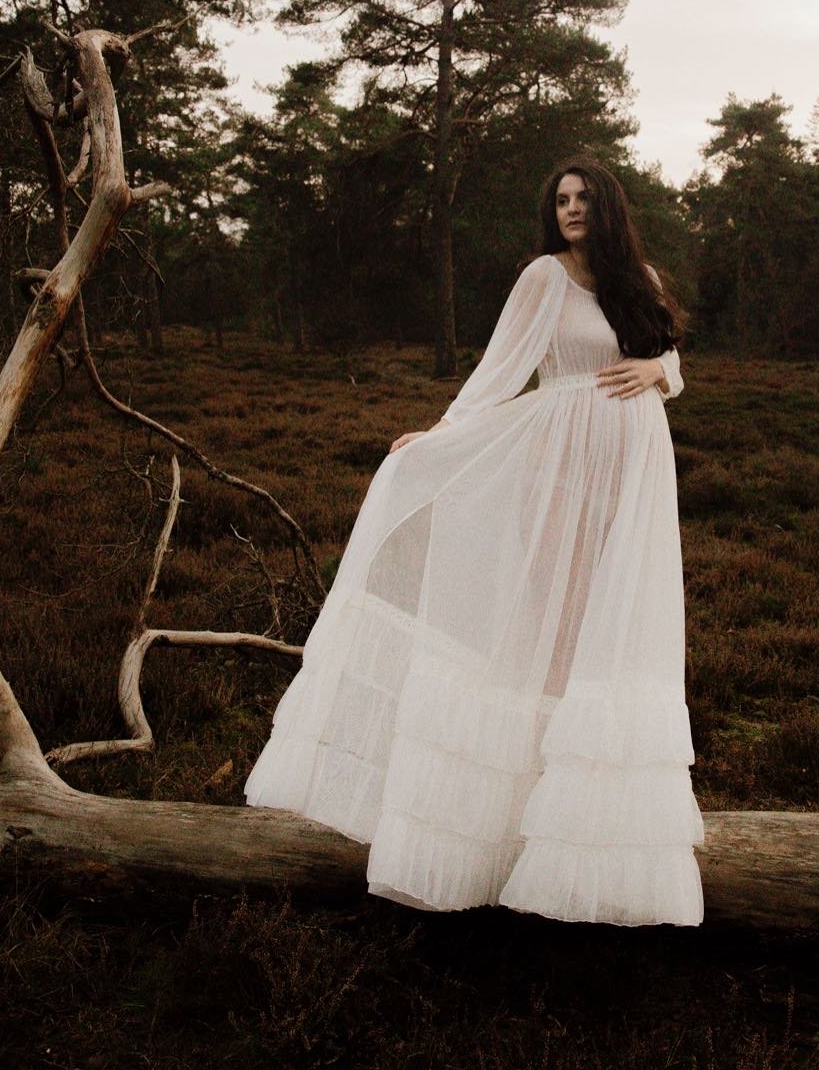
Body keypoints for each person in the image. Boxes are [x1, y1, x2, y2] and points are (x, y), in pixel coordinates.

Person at [244, 158, 704, 926]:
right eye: (559, 200)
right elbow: (498, 373)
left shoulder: (640, 278)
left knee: (610, 631)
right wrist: (443, 435)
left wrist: (660, 373)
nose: (570, 210)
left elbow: (672, 358)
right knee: (550, 630)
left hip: (634, 474)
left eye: (583, 198)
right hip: (559, 462)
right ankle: (506, 818)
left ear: (609, 206)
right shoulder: (542, 278)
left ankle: (585, 833)